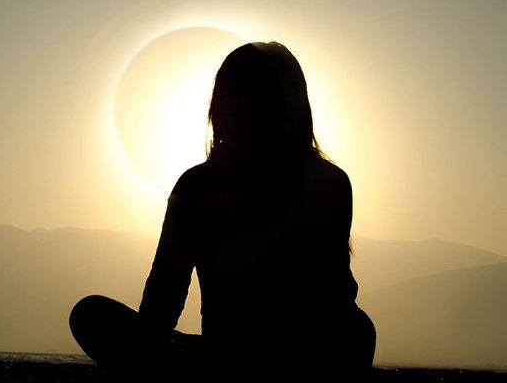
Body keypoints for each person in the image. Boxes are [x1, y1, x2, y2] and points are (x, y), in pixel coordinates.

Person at [70, 41, 375, 380]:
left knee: (354, 331)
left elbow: (329, 297)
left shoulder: (320, 183)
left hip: (279, 355)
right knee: (91, 314)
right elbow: (162, 300)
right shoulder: (201, 187)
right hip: (244, 355)